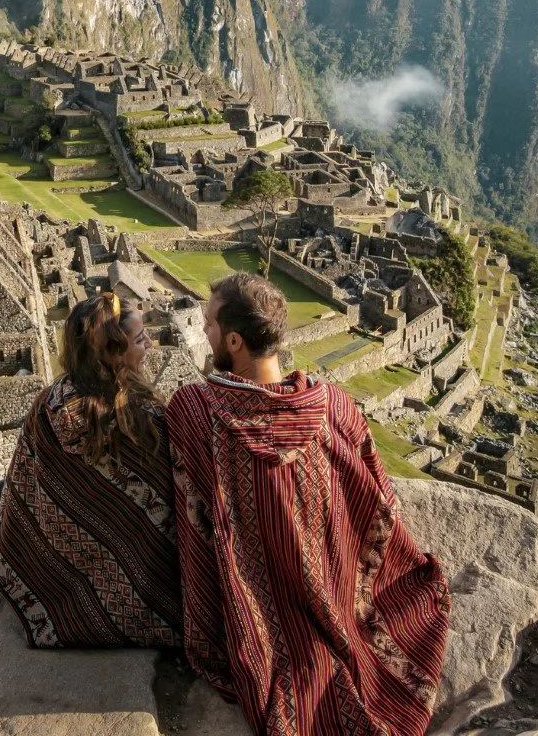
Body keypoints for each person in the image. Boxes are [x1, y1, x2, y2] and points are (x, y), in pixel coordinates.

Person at [167, 272, 450, 736]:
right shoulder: (334, 406)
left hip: (265, 625)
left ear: (234, 341)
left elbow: (194, 517)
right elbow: (378, 498)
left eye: (210, 326)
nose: (204, 333)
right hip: (342, 590)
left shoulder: (196, 412)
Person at [0, 291, 182, 650]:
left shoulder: (51, 405)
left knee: (0, 493)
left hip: (61, 573)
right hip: (147, 588)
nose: (149, 345)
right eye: (141, 339)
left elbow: (24, 481)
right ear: (114, 352)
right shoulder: (148, 417)